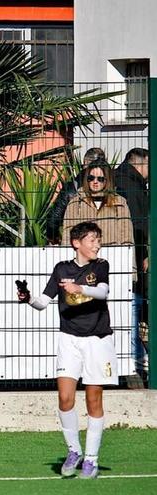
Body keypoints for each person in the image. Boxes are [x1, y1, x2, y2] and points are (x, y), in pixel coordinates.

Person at [18, 221, 117, 479]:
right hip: (69, 339)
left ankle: (92, 459)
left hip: (98, 340)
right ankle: (74, 450)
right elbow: (43, 302)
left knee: (93, 398)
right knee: (64, 397)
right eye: (92, 240)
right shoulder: (62, 269)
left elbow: (103, 292)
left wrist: (79, 288)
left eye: (98, 240)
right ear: (76, 243)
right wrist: (28, 298)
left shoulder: (101, 266)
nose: (97, 245)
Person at [114, 147, 150, 381]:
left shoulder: (122, 180)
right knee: (136, 305)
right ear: (140, 163)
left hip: (127, 254)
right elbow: (138, 224)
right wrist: (144, 254)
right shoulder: (132, 186)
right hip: (135, 254)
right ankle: (138, 359)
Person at [61, 159, 133, 246]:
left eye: (100, 179)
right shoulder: (76, 203)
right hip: (84, 252)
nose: (95, 182)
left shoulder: (120, 203)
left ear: (107, 180)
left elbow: (127, 236)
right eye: (91, 178)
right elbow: (67, 236)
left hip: (112, 252)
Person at [47, 147, 107, 244]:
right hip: (105, 242)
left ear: (85, 162)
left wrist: (55, 239)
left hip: (76, 242)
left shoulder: (71, 188)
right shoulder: (111, 186)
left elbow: (53, 220)